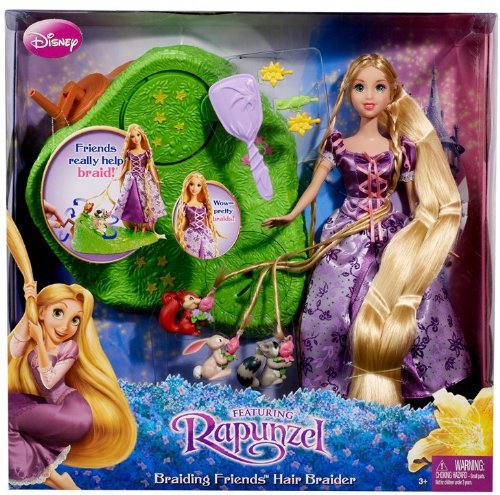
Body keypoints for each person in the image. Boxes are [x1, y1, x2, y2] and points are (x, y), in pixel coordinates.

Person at [263, 53, 471, 406]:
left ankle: (407, 386)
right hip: (347, 233)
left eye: (379, 87)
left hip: (393, 237)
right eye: (360, 87)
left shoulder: (401, 147)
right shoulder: (337, 143)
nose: (369, 96)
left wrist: (434, 238)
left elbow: (413, 203)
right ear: (349, 92)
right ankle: (340, 388)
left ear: (393, 93)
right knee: (333, 308)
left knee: (413, 306)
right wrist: (291, 214)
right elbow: (313, 188)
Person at [7, 214, 137, 489]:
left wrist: (39, 340)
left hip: (73, 413)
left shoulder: (69, 347)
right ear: (43, 312)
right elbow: (13, 350)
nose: (67, 326)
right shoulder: (37, 329)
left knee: (7, 415)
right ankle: (59, 481)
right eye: (59, 313)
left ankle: (49, 479)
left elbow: (48, 381)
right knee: (9, 405)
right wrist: (28, 312)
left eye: (75, 319)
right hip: (54, 408)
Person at [114, 123, 166, 232]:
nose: (136, 138)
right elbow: (127, 167)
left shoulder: (146, 152)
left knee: (145, 201)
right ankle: (135, 225)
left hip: (144, 179)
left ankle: (144, 225)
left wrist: (156, 180)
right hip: (132, 179)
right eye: (132, 136)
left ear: (141, 135)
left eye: (138, 135)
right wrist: (120, 176)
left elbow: (150, 166)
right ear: (130, 138)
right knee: (132, 202)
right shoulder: (129, 152)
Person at [175, 171, 221, 258]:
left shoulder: (204, 205)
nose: (195, 188)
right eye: (191, 184)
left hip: (205, 234)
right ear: (187, 185)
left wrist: (209, 232)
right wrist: (180, 233)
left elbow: (205, 222)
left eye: (198, 185)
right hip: (191, 234)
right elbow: (183, 223)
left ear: (202, 187)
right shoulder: (186, 205)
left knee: (207, 252)